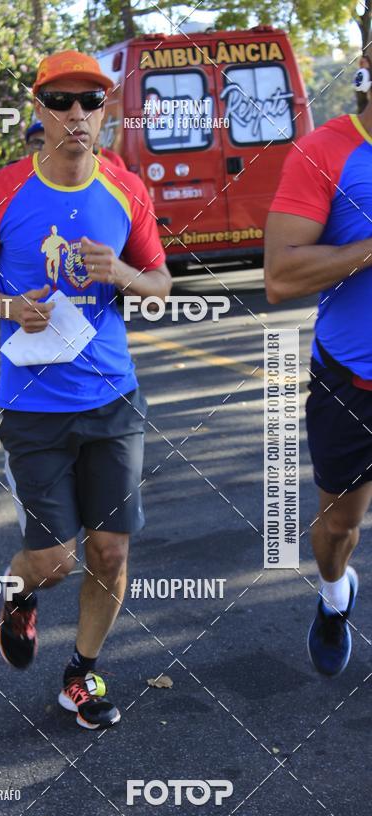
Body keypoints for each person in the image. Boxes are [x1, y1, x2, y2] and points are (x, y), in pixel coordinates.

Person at [0, 50, 171, 729]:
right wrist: (6, 306)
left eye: (91, 101)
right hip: (34, 405)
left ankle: (82, 674)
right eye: (63, 101)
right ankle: (19, 595)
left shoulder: (127, 190)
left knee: (110, 551)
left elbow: (162, 285)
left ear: (105, 113)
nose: (78, 114)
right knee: (53, 560)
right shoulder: (1, 192)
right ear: (38, 110)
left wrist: (125, 275)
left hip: (113, 398)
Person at [265, 54, 372, 677]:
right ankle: (334, 597)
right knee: (337, 528)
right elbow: (279, 276)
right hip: (352, 380)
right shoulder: (324, 151)